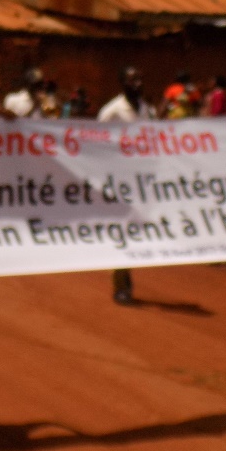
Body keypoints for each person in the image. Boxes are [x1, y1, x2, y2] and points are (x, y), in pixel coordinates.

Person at [98, 66, 154, 305]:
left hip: (142, 179)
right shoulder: (111, 112)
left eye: (139, 78)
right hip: (119, 179)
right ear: (122, 83)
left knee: (137, 228)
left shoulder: (147, 110)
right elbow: (97, 143)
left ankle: (123, 272)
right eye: (132, 80)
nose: (137, 83)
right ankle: (122, 281)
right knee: (123, 228)